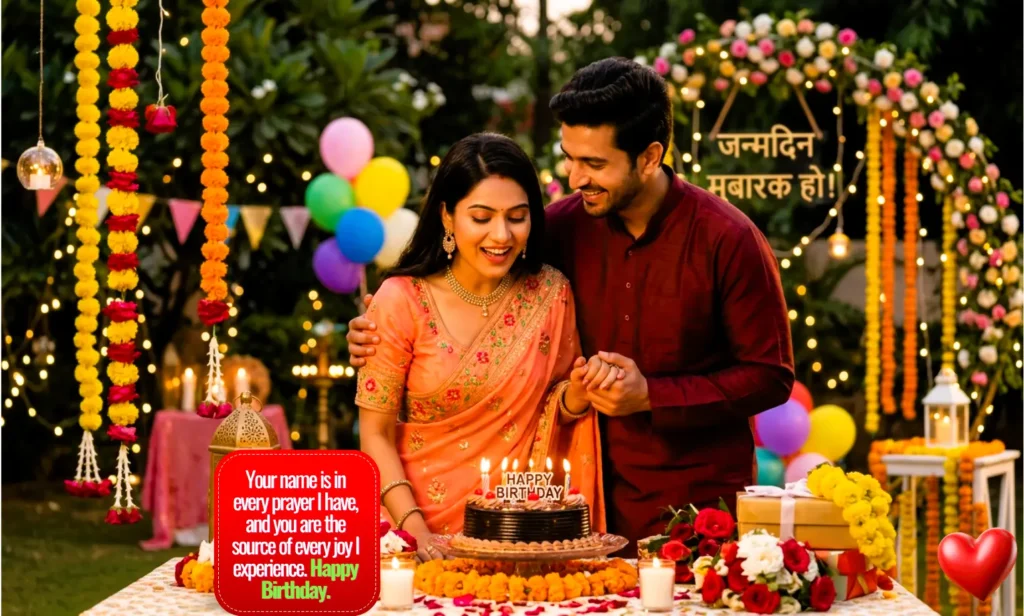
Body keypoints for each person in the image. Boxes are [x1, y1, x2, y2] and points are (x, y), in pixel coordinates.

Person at [350, 58, 794, 552]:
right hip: (575, 517)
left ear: (649, 157)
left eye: (595, 164)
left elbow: (769, 375)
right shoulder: (556, 230)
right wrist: (380, 329)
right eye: (569, 158)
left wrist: (652, 395)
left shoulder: (727, 240)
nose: (575, 177)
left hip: (693, 512)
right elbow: (466, 289)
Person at [356, 133, 607, 563]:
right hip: (406, 529)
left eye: (516, 216)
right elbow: (374, 435)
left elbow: (554, 409)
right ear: (447, 217)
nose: (501, 234)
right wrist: (416, 533)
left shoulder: (551, 294)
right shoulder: (401, 300)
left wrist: (579, 395)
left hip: (518, 536)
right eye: (481, 217)